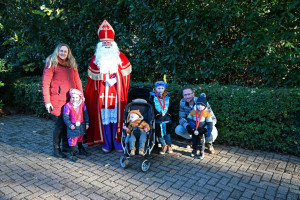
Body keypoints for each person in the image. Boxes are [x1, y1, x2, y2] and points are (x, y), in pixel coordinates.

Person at [84, 20, 132, 153]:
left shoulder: (120, 57)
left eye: (108, 42)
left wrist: (116, 79)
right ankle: (106, 143)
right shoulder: (96, 59)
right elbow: (91, 82)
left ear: (113, 43)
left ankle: (117, 144)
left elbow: (126, 75)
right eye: (104, 42)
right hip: (102, 96)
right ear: (100, 44)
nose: (106, 44)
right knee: (105, 121)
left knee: (117, 119)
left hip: (116, 95)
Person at [42, 43, 83, 158]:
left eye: (65, 51)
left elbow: (78, 80)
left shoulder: (71, 64)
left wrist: (81, 95)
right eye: (61, 51)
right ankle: (56, 150)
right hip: (57, 100)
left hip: (71, 101)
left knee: (68, 125)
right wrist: (47, 102)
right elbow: (45, 84)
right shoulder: (52, 63)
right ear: (57, 51)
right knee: (59, 125)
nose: (63, 53)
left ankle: (66, 148)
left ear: (68, 53)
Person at [175, 87, 218, 154]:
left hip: (203, 124)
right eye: (185, 95)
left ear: (193, 94)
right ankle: (192, 139)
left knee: (213, 132)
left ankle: (208, 143)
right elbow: (181, 118)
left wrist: (205, 128)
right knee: (178, 129)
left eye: (189, 94)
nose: (187, 96)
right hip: (192, 125)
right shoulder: (182, 102)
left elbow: (213, 119)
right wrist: (187, 126)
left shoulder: (202, 101)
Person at [63, 89, 90, 162]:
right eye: (73, 97)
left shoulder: (82, 104)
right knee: (72, 140)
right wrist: (70, 125)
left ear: (80, 98)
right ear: (70, 97)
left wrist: (87, 123)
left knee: (80, 137)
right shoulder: (67, 106)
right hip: (73, 126)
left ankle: (81, 149)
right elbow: (65, 117)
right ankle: (73, 154)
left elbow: (85, 114)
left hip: (81, 125)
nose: (74, 99)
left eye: (76, 97)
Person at [149, 81, 173, 154]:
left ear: (165, 88)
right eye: (159, 88)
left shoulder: (168, 97)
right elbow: (151, 107)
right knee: (159, 133)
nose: (160, 90)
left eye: (162, 88)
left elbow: (171, 107)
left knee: (167, 132)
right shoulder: (152, 97)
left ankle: (169, 145)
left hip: (166, 118)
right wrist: (157, 114)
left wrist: (168, 114)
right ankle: (163, 145)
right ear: (156, 89)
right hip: (158, 118)